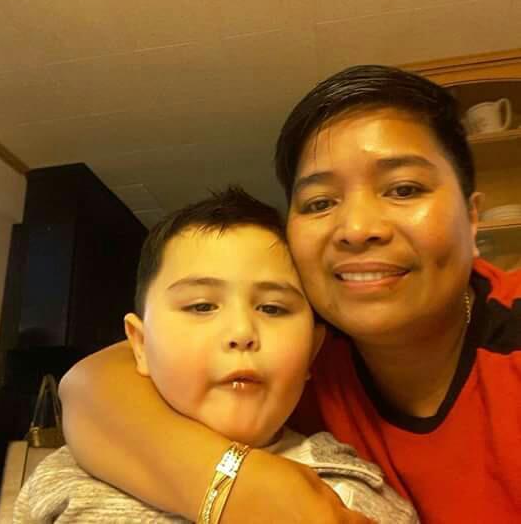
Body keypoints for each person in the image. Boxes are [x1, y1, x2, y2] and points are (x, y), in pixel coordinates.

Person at [59, 66, 521, 523]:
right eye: (320, 202)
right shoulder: (294, 348)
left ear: (472, 217)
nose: (357, 228)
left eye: (403, 189)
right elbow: (90, 385)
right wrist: (235, 486)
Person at [14, 188, 417, 524]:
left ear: (313, 351)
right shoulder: (69, 476)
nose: (241, 333)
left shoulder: (358, 495)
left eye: (273, 308)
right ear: (139, 344)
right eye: (202, 306)